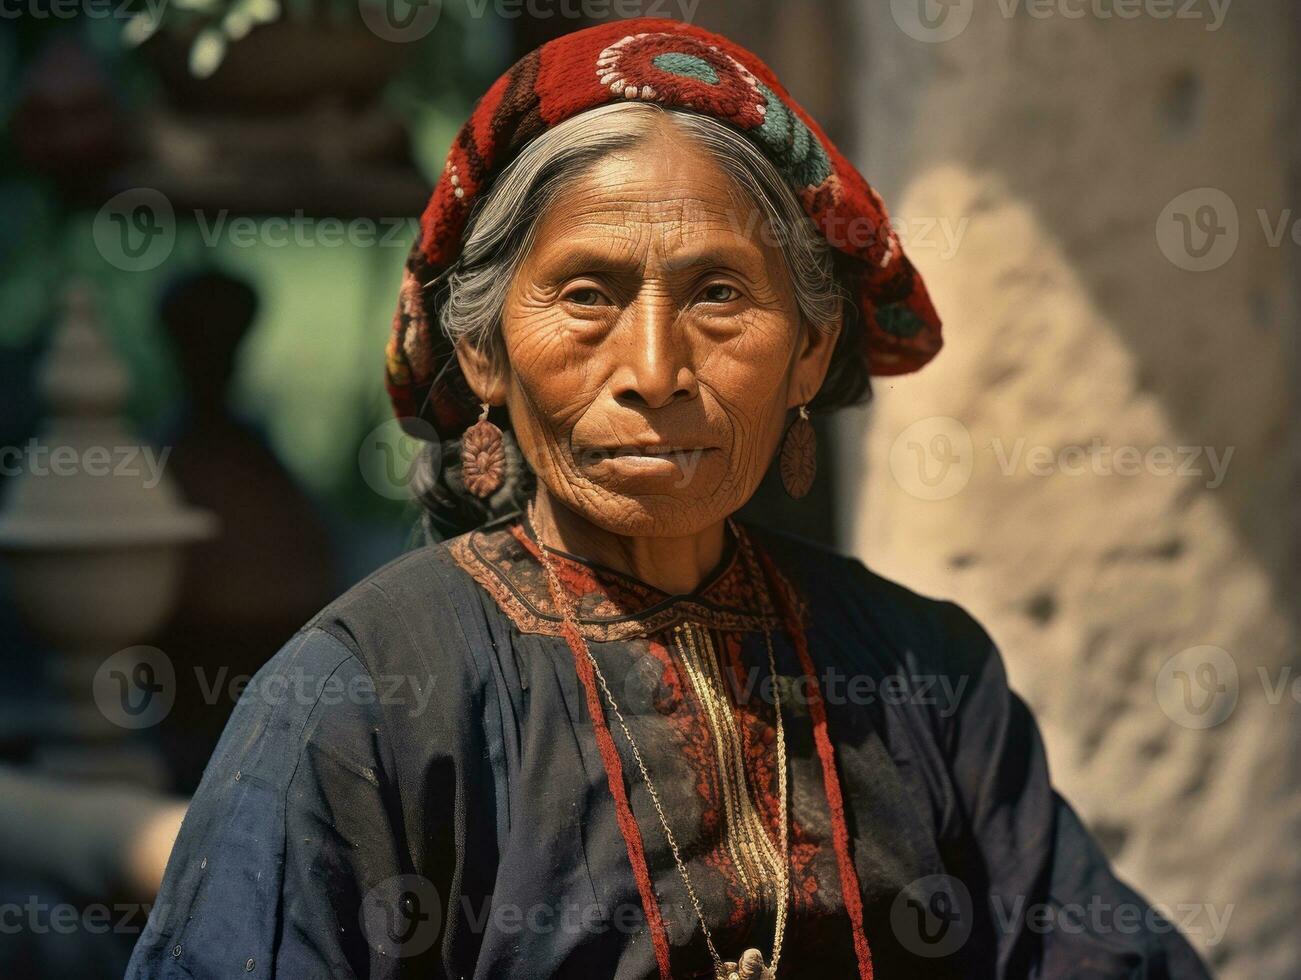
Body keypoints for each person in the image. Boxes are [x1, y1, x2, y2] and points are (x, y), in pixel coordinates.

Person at [127, 18, 1212, 980]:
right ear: (485, 351)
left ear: (809, 350)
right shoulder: (359, 696)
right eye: (587, 294)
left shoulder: (922, 672)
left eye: (720, 294)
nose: (652, 366)